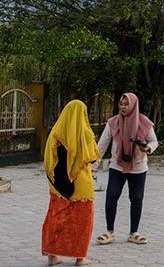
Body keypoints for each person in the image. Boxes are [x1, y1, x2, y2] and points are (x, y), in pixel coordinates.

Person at [42, 99, 101, 266]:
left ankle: (52, 256)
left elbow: (48, 161)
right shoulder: (85, 134)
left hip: (58, 186)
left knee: (56, 218)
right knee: (81, 222)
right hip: (81, 186)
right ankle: (80, 258)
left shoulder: (55, 134)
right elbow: (93, 156)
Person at [95, 92, 157, 246]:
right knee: (112, 195)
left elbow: (153, 141)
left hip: (138, 167)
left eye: (126, 104)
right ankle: (109, 231)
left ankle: (133, 232)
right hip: (117, 165)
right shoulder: (113, 123)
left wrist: (147, 148)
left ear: (133, 105)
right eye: (120, 104)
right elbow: (101, 145)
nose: (122, 107)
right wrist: (91, 166)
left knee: (136, 198)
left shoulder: (144, 122)